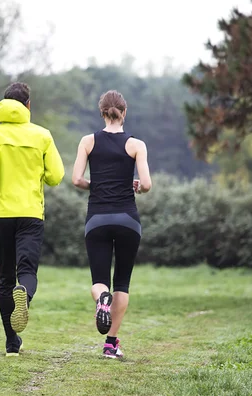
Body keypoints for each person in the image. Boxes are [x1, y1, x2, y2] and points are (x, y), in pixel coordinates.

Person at [0, 82, 65, 357]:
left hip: (0, 214)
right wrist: (41, 175)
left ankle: (12, 343)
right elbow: (56, 175)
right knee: (26, 271)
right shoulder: (42, 136)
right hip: (30, 214)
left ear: (4, 104)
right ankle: (24, 292)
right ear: (27, 106)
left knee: (4, 278)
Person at [71, 89, 152, 359]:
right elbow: (147, 184)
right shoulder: (136, 145)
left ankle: (101, 300)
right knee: (123, 283)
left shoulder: (87, 141)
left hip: (97, 219)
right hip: (128, 219)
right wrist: (137, 188)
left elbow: (77, 180)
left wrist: (96, 184)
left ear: (102, 112)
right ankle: (111, 344)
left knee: (99, 281)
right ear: (124, 112)